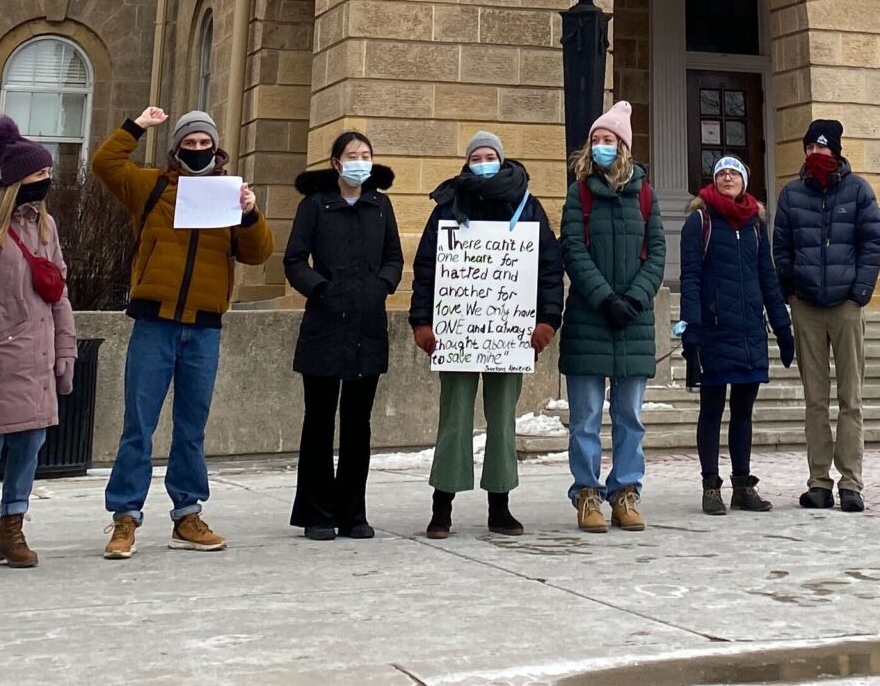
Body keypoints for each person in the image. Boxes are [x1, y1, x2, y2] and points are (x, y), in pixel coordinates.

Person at [91, 104, 270, 557]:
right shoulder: (151, 186)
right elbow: (105, 164)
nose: (197, 150)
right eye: (189, 144)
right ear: (176, 149)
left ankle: (187, 515)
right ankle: (125, 518)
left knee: (191, 428)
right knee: (139, 424)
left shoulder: (229, 193)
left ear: (216, 148)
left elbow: (257, 253)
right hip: (155, 321)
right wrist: (136, 126)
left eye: (203, 143)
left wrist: (250, 213)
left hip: (204, 328)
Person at [410, 130, 562, 540]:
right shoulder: (448, 204)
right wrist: (422, 322)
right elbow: (427, 268)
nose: (483, 161)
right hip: (457, 335)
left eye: (488, 155)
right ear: (467, 162)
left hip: (509, 335)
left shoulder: (528, 206)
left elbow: (549, 268)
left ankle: (500, 506)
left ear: (501, 158)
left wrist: (547, 321)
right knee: (454, 419)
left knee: (503, 420)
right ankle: (442, 508)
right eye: (476, 156)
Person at [0, 117, 78, 577]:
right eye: (40, 176)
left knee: (29, 445)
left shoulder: (47, 228)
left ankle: (13, 526)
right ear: (17, 180)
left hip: (37, 360)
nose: (48, 182)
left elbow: (60, 292)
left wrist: (67, 350)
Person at [284, 127, 403, 541]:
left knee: (358, 423)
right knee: (318, 420)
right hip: (324, 323)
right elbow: (295, 259)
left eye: (366, 154)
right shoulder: (315, 206)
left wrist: (381, 286)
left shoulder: (380, 205)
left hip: (366, 325)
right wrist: (320, 288)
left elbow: (394, 258)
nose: (360, 161)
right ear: (336, 162)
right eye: (352, 154)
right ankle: (316, 512)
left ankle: (353, 511)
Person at [559, 102, 665, 534]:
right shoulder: (579, 192)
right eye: (596, 140)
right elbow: (573, 249)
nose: (601, 147)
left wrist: (636, 298)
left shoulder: (645, 194)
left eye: (609, 140)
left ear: (623, 146)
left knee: (629, 417)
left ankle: (625, 491)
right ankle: (587, 493)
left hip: (633, 322)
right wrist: (604, 298)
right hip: (590, 319)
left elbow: (657, 251)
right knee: (585, 417)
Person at [773, 117, 880, 512]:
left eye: (823, 148)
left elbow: (873, 243)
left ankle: (851, 482)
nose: (816, 154)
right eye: (811, 148)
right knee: (815, 400)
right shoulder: (791, 195)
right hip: (806, 306)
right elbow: (781, 247)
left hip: (845, 306)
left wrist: (860, 293)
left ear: (836, 151)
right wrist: (790, 291)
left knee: (850, 398)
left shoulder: (858, 191)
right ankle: (819, 480)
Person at [677, 153, 792, 516]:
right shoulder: (700, 221)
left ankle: (743, 485)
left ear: (744, 181)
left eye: (734, 173)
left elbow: (767, 278)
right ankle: (711, 485)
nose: (728, 178)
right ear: (713, 181)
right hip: (713, 330)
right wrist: (691, 327)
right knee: (711, 410)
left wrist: (782, 324)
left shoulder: (756, 225)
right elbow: (691, 277)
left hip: (749, 332)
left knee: (744, 410)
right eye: (722, 173)